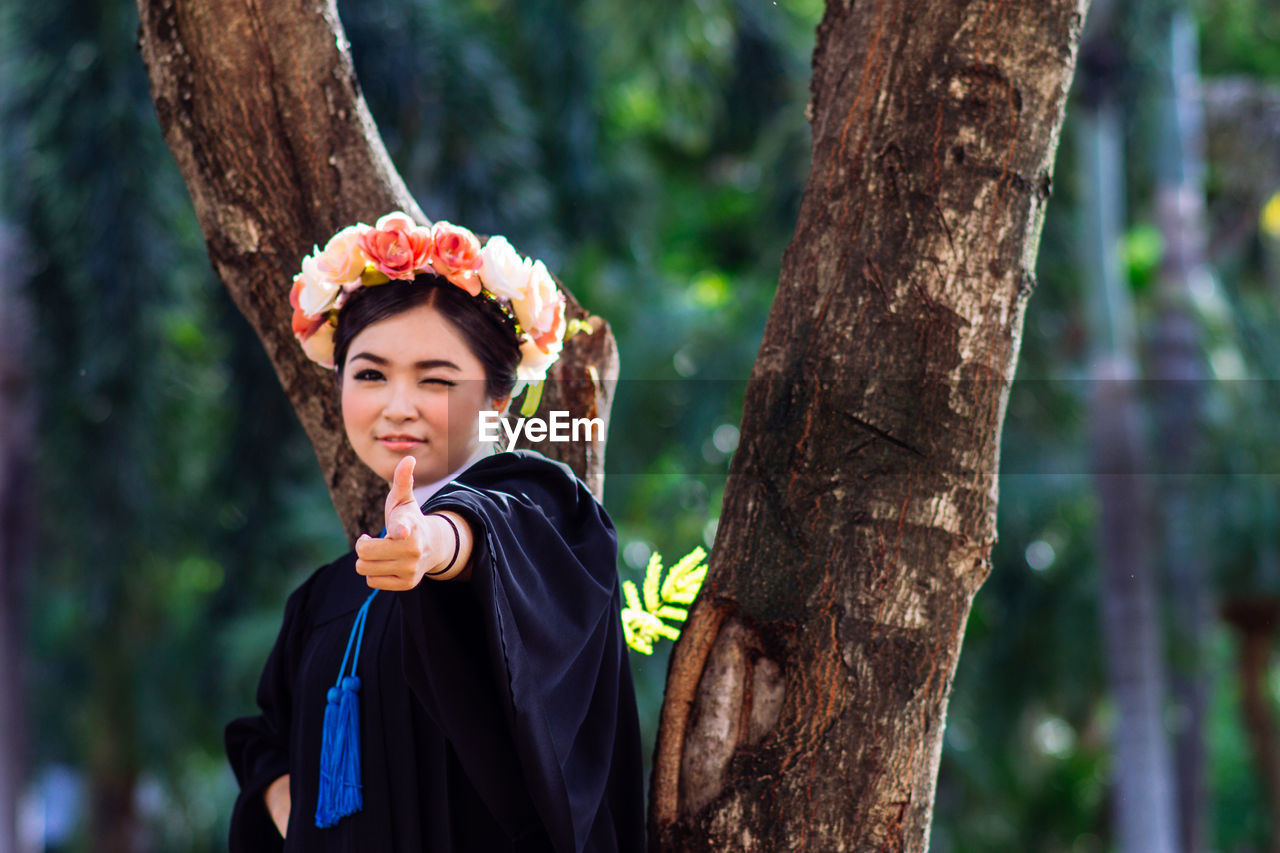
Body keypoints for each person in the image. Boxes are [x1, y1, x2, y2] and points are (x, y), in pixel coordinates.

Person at [224, 212, 645, 852]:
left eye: (437, 380)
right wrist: (295, 809)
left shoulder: (547, 515)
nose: (398, 405)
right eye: (370, 374)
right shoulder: (324, 599)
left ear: (497, 401)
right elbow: (265, 739)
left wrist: (437, 545)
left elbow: (490, 538)